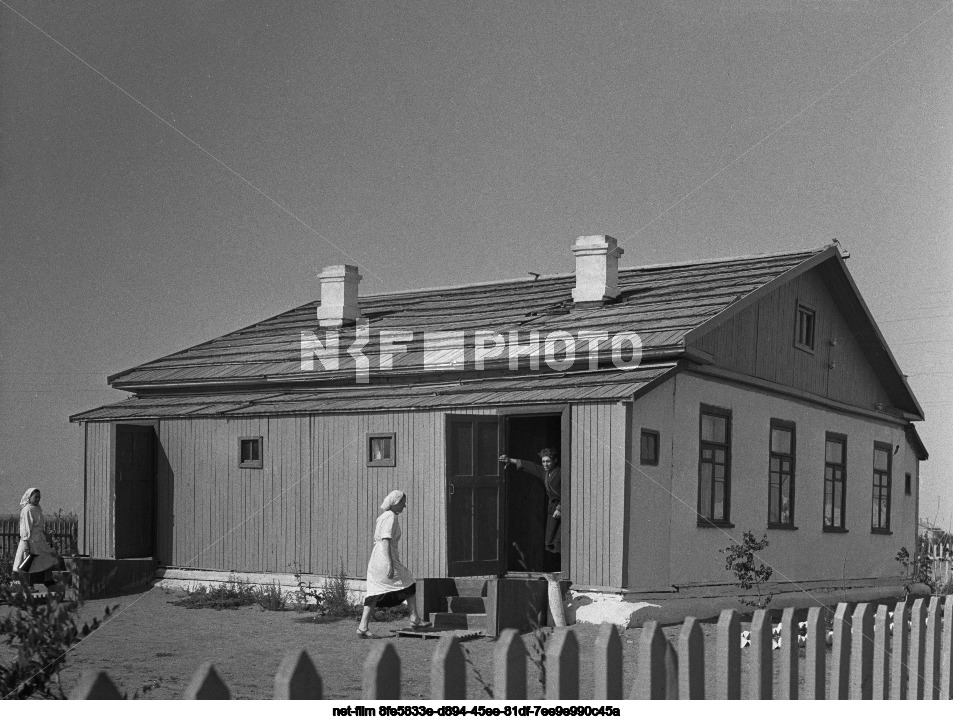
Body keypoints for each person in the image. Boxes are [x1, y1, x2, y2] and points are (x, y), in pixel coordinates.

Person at [357, 490, 431, 638]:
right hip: (384, 557)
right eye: (403, 502)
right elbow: (385, 540)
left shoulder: (383, 516)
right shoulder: (390, 517)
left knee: (374, 592)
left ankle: (362, 627)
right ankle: (414, 618)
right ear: (396, 502)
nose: (404, 506)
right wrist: (390, 564)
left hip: (376, 558)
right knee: (408, 579)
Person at [499, 448, 562, 554]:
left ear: (555, 461)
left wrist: (560, 508)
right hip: (553, 509)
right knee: (552, 538)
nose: (545, 464)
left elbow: (568, 492)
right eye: (543, 461)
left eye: (548, 461)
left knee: (561, 537)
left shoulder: (561, 473)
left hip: (562, 509)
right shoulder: (545, 473)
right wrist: (510, 460)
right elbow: (530, 466)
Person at [12, 488, 60, 597]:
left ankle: (48, 580)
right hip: (30, 540)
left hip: (39, 539)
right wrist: (25, 542)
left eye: (39, 497)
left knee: (50, 556)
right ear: (29, 497)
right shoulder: (27, 509)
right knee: (27, 563)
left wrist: (46, 533)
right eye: (36, 497)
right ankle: (27, 586)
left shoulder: (37, 508)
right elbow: (26, 527)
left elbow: (39, 525)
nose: (38, 499)